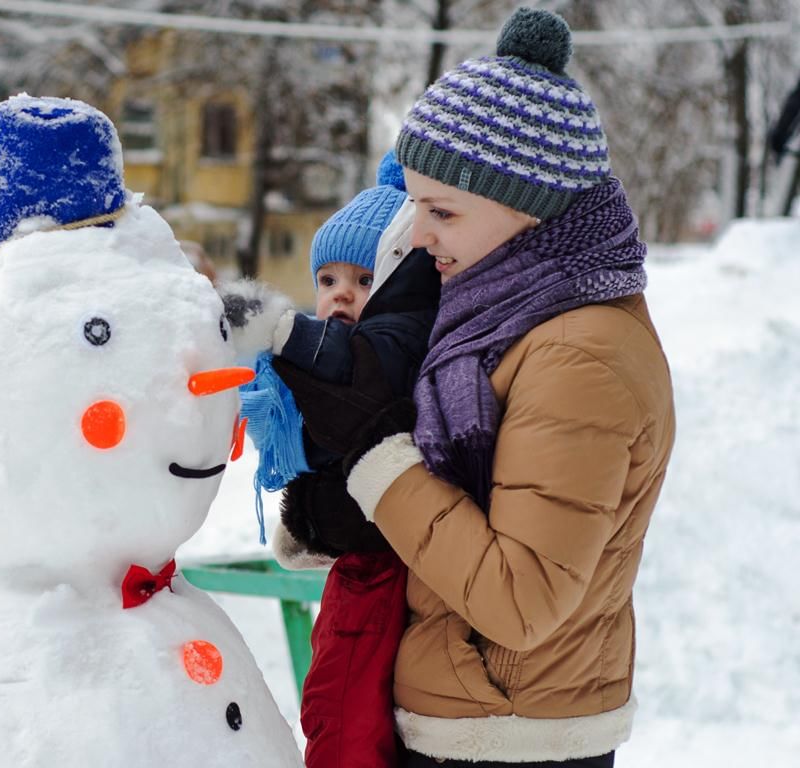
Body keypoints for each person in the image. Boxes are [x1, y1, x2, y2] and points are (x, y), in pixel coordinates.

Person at [273, 8, 676, 767]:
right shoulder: (509, 320)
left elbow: (518, 599)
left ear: (525, 205)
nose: (419, 235)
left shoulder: (579, 355)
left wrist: (376, 458)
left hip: (510, 737)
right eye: (417, 208)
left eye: (442, 211)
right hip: (478, 719)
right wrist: (349, 512)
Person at [233, 151, 440, 768]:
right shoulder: (327, 364)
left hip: (376, 568)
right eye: (328, 281)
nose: (342, 295)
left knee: (342, 702)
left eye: (364, 279)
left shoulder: (390, 348)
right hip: (357, 563)